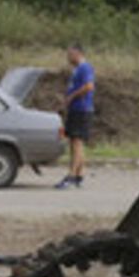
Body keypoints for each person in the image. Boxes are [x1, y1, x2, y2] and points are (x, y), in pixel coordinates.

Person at [56, 44, 95, 189]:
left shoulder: (85, 68)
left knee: (76, 142)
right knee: (75, 142)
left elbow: (89, 86)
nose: (68, 57)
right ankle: (79, 175)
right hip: (75, 109)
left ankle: (71, 176)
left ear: (78, 53)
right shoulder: (77, 69)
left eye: (70, 54)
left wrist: (72, 96)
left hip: (82, 109)